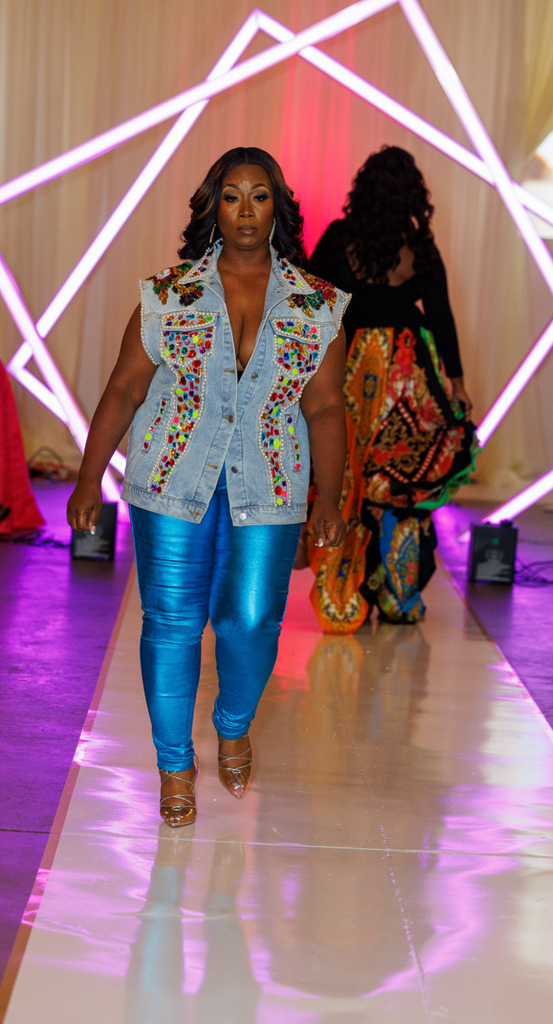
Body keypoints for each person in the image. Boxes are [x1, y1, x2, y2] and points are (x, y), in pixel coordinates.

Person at [67, 147, 349, 826]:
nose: (245, 210)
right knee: (171, 622)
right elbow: (125, 388)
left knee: (251, 619)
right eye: (231, 196)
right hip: (170, 475)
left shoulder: (317, 305)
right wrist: (87, 477)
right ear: (212, 207)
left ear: (278, 207)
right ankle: (173, 765)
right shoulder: (168, 295)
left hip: (271, 480)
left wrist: (331, 496)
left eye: (259, 195)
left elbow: (325, 407)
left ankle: (232, 723)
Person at [303, 145, 477, 632]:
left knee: (345, 482)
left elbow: (310, 304)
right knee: (400, 488)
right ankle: (399, 597)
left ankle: (341, 596)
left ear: (364, 190)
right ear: (413, 195)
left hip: (350, 373)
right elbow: (440, 317)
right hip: (410, 380)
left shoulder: (340, 237)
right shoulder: (420, 246)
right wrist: (457, 385)